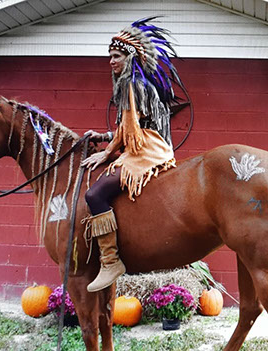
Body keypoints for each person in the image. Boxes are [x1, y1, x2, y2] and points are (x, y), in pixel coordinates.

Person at [81, 17, 182, 292]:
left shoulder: (130, 84)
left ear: (130, 57)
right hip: (154, 146)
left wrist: (105, 154)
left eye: (116, 56)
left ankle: (111, 261)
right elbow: (131, 127)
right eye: (109, 56)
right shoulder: (139, 84)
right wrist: (104, 138)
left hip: (145, 150)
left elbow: (130, 132)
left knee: (94, 195)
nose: (111, 61)